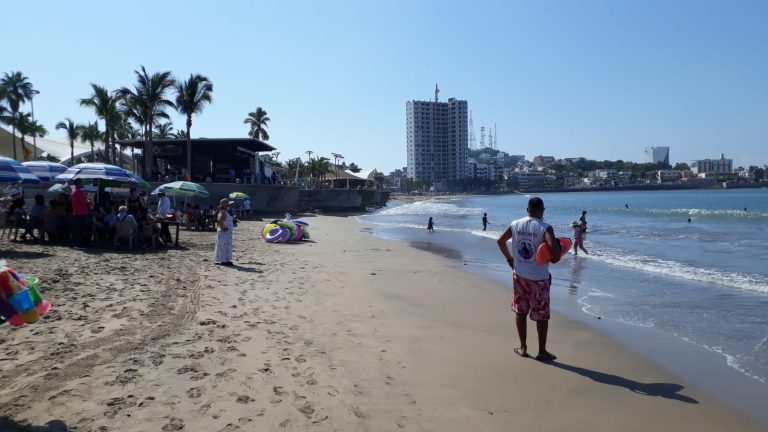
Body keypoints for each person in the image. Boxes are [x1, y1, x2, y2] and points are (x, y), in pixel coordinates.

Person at [496, 197, 561, 362]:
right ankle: (542, 351)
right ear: (542, 210)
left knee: (521, 310)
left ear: (527, 210)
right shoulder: (545, 227)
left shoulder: (516, 224)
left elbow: (500, 240)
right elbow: (554, 250)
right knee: (542, 315)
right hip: (539, 279)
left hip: (519, 275)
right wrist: (555, 258)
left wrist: (510, 260)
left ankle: (523, 347)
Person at [214, 198, 234, 266]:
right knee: (224, 246)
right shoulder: (224, 212)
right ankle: (224, 260)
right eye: (228, 205)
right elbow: (220, 220)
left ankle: (224, 259)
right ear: (225, 206)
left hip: (224, 232)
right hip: (224, 232)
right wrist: (224, 227)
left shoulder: (222, 212)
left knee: (222, 245)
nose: (229, 206)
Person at [71, 179, 90, 247]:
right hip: (80, 213)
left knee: (78, 229)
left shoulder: (75, 191)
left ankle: (77, 244)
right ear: (78, 183)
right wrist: (88, 200)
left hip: (78, 213)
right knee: (79, 230)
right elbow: (83, 202)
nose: (83, 184)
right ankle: (77, 244)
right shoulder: (78, 192)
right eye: (82, 183)